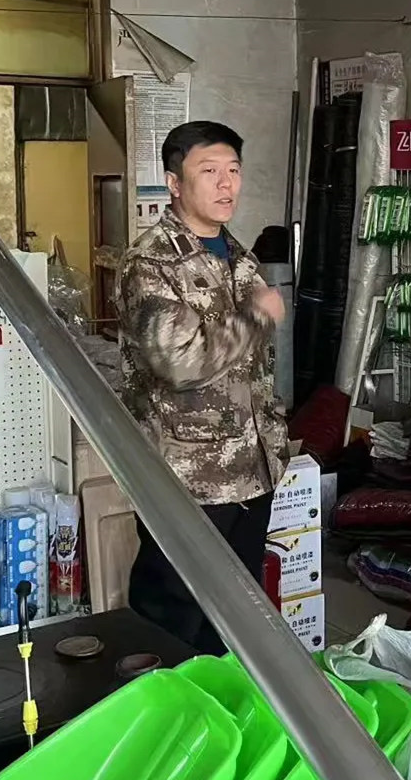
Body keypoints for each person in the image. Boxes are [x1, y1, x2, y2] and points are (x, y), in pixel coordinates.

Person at [117, 120, 287, 655]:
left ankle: (225, 701)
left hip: (251, 471)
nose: (225, 183)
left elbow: (252, 367)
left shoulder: (237, 254)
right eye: (208, 171)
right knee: (176, 615)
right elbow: (181, 363)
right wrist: (258, 316)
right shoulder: (150, 263)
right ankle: (169, 703)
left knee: (237, 614)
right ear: (174, 183)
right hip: (186, 479)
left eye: (233, 170)